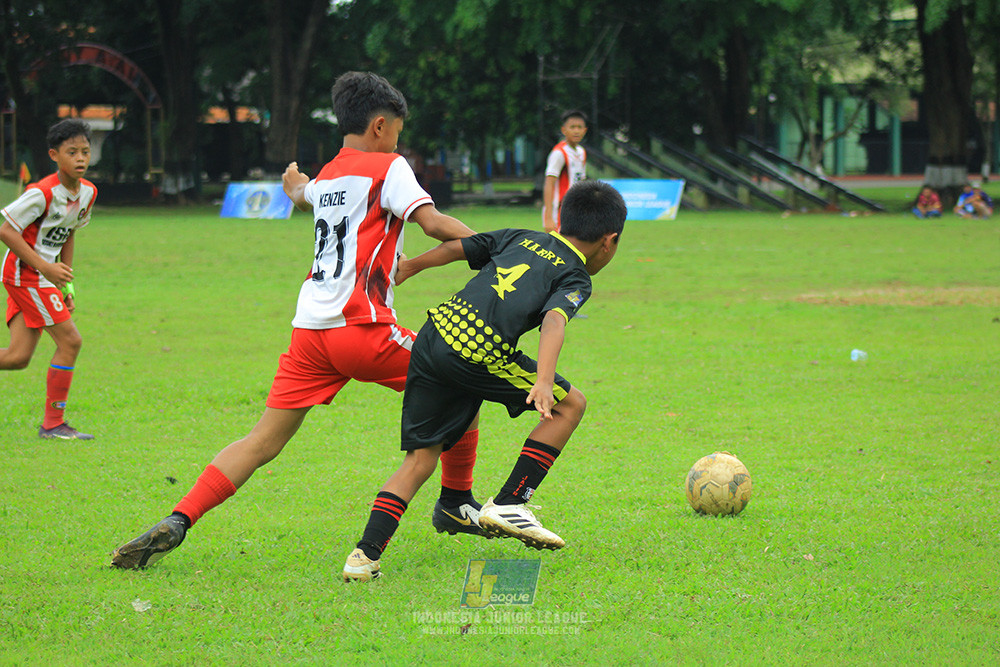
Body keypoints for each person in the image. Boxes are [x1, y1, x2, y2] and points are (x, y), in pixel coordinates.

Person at [111, 72, 485, 570]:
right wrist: (495, 247)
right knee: (464, 380)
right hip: (364, 327)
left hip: (310, 333)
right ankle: (456, 503)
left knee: (262, 441)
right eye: (397, 130)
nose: (399, 140)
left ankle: (180, 518)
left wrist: (297, 188)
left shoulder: (329, 175)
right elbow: (433, 223)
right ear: (379, 126)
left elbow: (308, 195)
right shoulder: (390, 166)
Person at [343, 179, 628, 582]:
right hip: (477, 346)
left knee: (421, 458)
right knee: (571, 405)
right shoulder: (576, 275)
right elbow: (553, 320)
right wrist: (543, 383)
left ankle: (365, 554)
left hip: (434, 333)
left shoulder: (521, 236)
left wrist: (410, 266)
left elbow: (459, 248)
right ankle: (512, 500)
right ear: (609, 241)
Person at [1, 119, 97, 440]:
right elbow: (5, 231)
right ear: (54, 155)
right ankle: (53, 424)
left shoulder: (87, 193)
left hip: (42, 277)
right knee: (71, 341)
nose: (81, 158)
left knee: (17, 358)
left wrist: (64, 281)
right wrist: (45, 268)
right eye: (72, 152)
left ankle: (54, 425)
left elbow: (68, 233)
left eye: (85, 151)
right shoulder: (41, 193)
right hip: (24, 275)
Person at [542, 110, 588, 233]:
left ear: (585, 130)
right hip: (559, 211)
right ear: (564, 130)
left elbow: (580, 182)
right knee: (557, 249)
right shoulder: (559, 153)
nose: (576, 131)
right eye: (572, 127)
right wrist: (548, 217)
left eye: (579, 127)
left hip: (575, 210)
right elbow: (549, 183)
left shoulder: (581, 152)